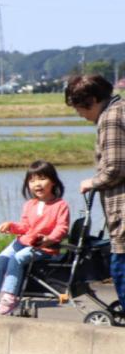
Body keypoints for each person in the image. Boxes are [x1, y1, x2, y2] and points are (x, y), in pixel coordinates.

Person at [0, 160, 70, 316]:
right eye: (32, 181)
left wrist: (49, 239)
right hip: (22, 241)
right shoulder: (29, 204)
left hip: (43, 246)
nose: (37, 184)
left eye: (42, 179)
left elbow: (62, 228)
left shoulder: (60, 205)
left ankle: (9, 297)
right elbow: (25, 226)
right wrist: (11, 226)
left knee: (18, 258)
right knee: (2, 258)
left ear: (53, 181)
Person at [66, 74, 125, 307]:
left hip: (122, 206)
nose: (79, 113)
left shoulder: (111, 117)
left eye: (78, 107)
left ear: (91, 100)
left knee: (120, 265)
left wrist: (92, 182)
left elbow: (115, 168)